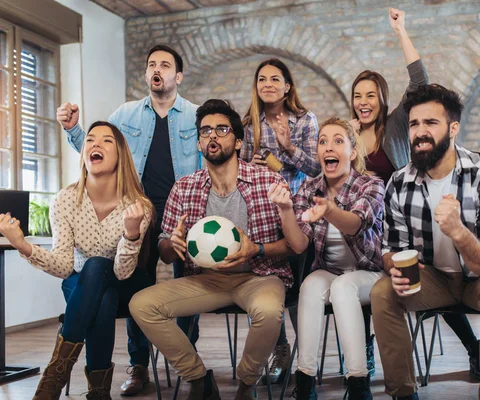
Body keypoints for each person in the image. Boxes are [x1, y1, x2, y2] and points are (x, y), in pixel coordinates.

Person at [56, 44, 200, 395]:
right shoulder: (126, 114)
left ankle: (187, 358)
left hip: (185, 209)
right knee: (141, 283)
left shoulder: (196, 116)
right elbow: (99, 150)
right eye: (152, 64)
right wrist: (75, 129)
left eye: (165, 65)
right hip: (136, 209)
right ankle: (139, 365)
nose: (157, 69)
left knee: (189, 278)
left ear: (177, 76)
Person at [129, 99, 294, 400]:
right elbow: (165, 249)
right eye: (205, 131)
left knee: (270, 312)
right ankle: (198, 378)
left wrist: (255, 249)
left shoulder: (268, 180)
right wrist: (172, 243)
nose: (212, 137)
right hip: (206, 280)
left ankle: (247, 382)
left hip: (258, 277)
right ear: (199, 142)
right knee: (141, 304)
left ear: (238, 140)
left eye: (221, 129)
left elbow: (293, 246)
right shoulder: (183, 187)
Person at [350, 8, 480, 379]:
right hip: (363, 229)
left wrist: (401, 31)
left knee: (429, 282)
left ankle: (473, 348)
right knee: (361, 283)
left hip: (401, 226)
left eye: (371, 95)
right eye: (358, 95)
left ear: (382, 99)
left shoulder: (394, 127)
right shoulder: (347, 134)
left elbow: (420, 81)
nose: (363, 102)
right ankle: (367, 355)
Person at [370, 84, 480, 400]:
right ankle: (403, 394)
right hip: (435, 277)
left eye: (430, 123)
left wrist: (458, 231)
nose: (420, 132)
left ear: (453, 128)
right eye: (414, 124)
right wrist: (392, 267)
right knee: (382, 292)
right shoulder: (399, 182)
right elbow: (390, 248)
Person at [0, 121, 154, 400]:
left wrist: (131, 235)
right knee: (99, 293)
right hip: (81, 282)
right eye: (90, 140)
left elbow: (121, 271)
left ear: (120, 154)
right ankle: (98, 392)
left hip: (124, 286)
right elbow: (64, 265)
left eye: (106, 141)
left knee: (99, 271)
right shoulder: (65, 200)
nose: (95, 144)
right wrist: (22, 244)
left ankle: (53, 378)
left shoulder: (138, 206)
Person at [269, 118, 385, 400]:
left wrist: (329, 210)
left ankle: (358, 383)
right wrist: (285, 210)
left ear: (352, 152)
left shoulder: (370, 185)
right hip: (331, 270)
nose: (328, 147)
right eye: (323, 141)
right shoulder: (309, 190)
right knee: (309, 284)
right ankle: (306, 381)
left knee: (344, 287)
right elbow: (298, 245)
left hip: (371, 273)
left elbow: (356, 224)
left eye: (337, 141)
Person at [241, 57, 320, 383]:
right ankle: (281, 348)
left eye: (276, 79)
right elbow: (241, 170)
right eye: (262, 79)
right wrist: (256, 167)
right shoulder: (249, 125)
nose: (268, 84)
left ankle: (305, 360)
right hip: (260, 214)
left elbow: (317, 169)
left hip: (297, 215)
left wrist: (287, 148)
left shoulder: (305, 120)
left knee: (295, 292)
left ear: (288, 86)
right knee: (264, 289)